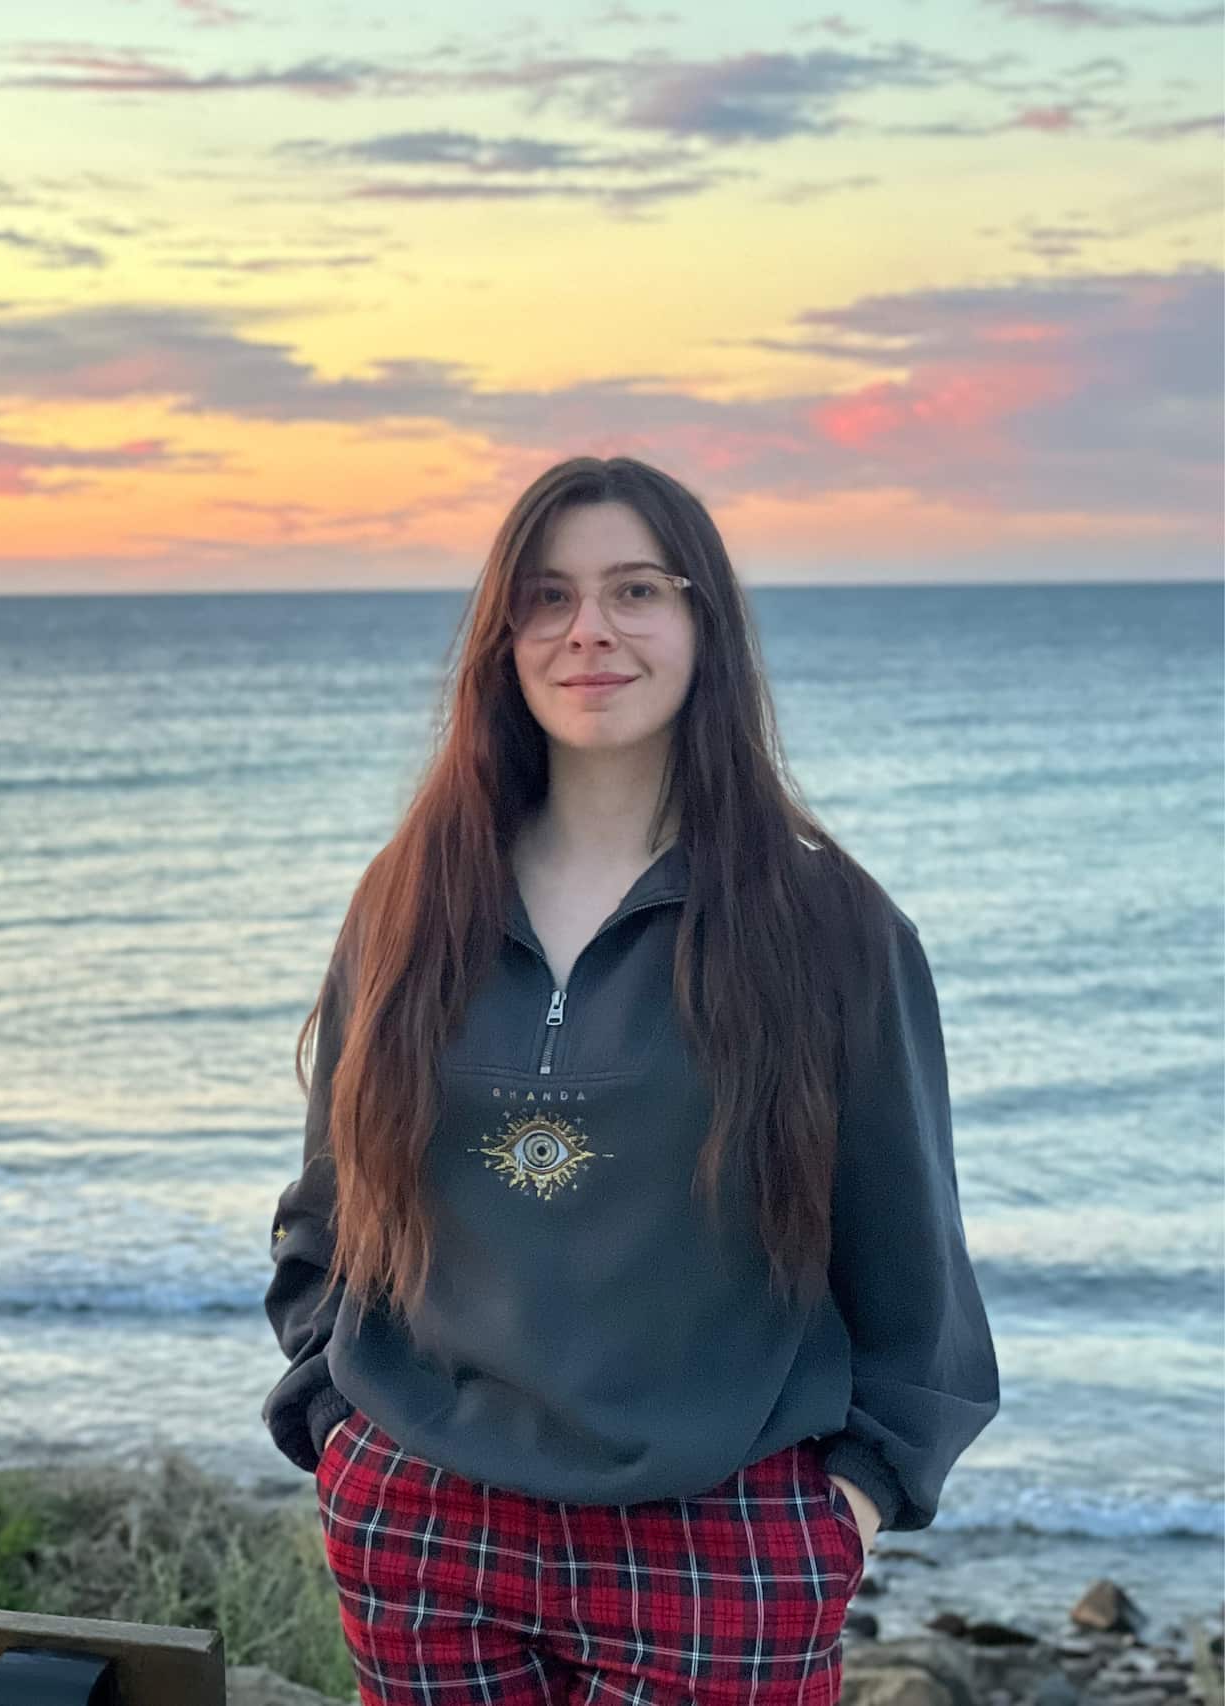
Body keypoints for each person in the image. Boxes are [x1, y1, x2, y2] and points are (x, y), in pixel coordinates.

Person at [261, 455, 1000, 1706]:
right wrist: (331, 1418)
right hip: (425, 1527)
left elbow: (907, 1258)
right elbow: (332, 1208)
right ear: (502, 639)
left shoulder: (825, 921)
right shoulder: (410, 899)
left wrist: (854, 1506)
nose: (587, 630)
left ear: (702, 622)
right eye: (545, 598)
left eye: (635, 590)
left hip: (717, 1536)